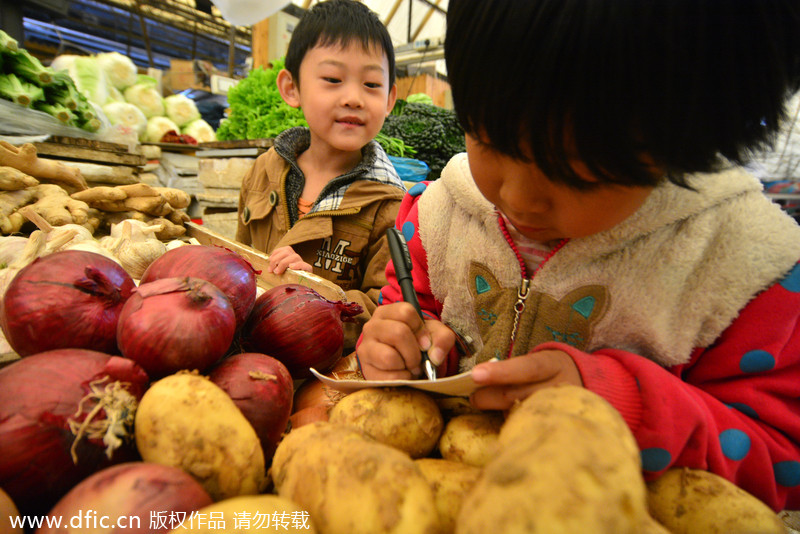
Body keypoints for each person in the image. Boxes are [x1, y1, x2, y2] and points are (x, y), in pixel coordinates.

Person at [356, 0, 800, 511]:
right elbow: (410, 309)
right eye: (488, 136)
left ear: (688, 137)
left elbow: (783, 460)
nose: (518, 199)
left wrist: (627, 407)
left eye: (578, 170)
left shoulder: (744, 271)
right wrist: (406, 345)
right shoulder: (436, 220)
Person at [236, 0, 405, 349]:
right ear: (291, 88)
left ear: (390, 99)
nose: (354, 98)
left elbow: (385, 307)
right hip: (247, 347)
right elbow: (237, 259)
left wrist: (318, 297)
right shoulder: (262, 172)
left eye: (372, 84)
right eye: (332, 79)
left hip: (325, 368)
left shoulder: (391, 205)